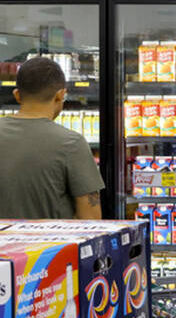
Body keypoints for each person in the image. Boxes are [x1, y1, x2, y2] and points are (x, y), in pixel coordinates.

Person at [0, 56, 104, 219]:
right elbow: (90, 216)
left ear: (17, 95)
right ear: (60, 95)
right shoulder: (72, 143)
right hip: (53, 244)